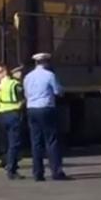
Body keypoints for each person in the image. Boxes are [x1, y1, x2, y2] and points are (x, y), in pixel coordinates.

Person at [23, 52, 67, 181]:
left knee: (36, 141)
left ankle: (38, 173)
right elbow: (57, 91)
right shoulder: (49, 75)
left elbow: (26, 94)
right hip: (46, 108)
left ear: (36, 63)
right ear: (46, 62)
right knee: (51, 140)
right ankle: (56, 171)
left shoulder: (27, 77)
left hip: (31, 108)